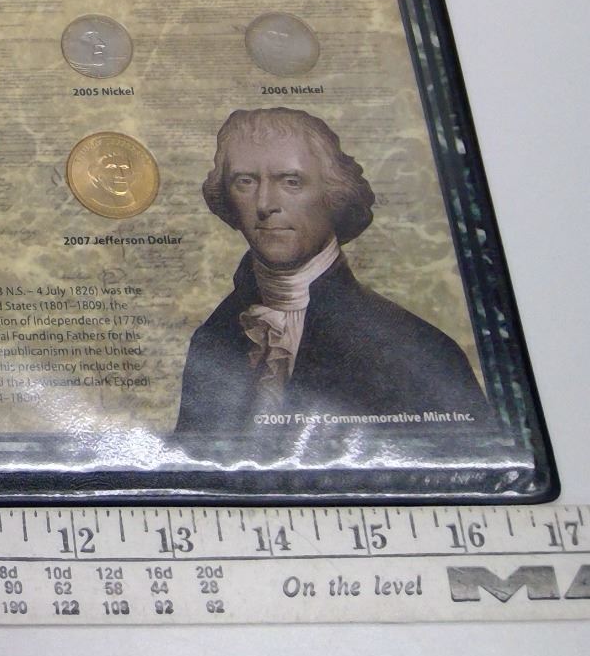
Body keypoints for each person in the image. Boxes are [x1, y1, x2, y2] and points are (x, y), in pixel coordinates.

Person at [175, 108, 489, 435]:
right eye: (245, 182)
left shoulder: (418, 352)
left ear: (335, 194)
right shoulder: (214, 337)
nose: (264, 203)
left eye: (291, 182)